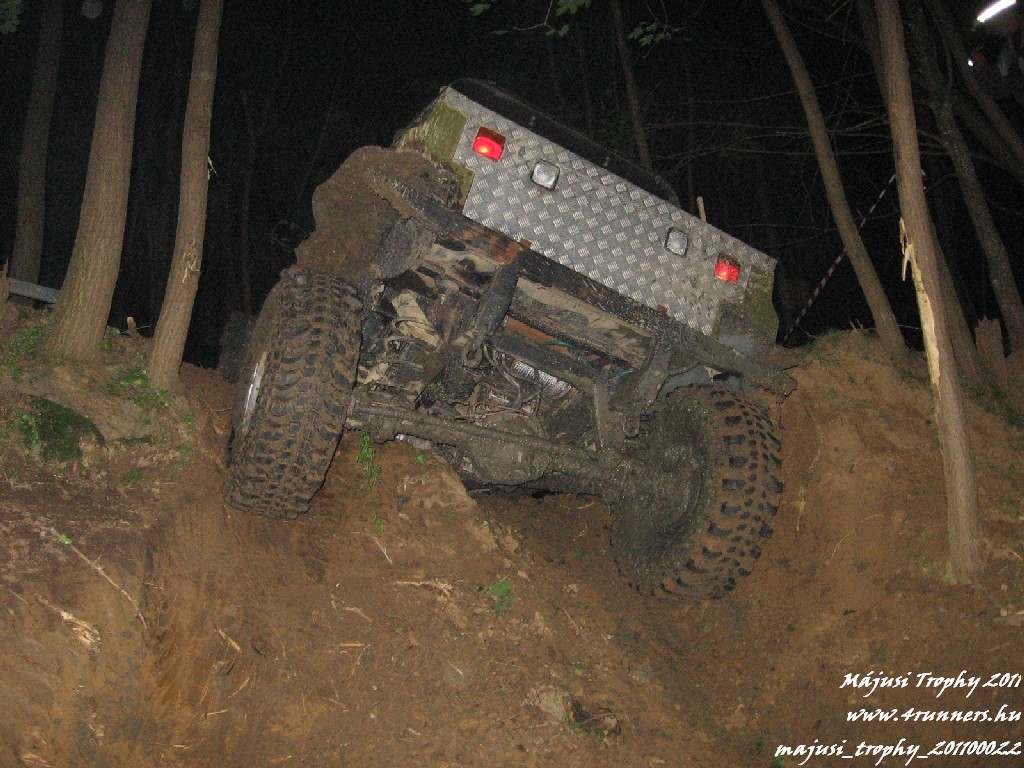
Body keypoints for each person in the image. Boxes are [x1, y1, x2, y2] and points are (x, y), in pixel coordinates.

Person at [972, 0, 1024, 106]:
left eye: (990, 23)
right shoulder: (1008, 53)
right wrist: (981, 67)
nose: (989, 29)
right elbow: (999, 88)